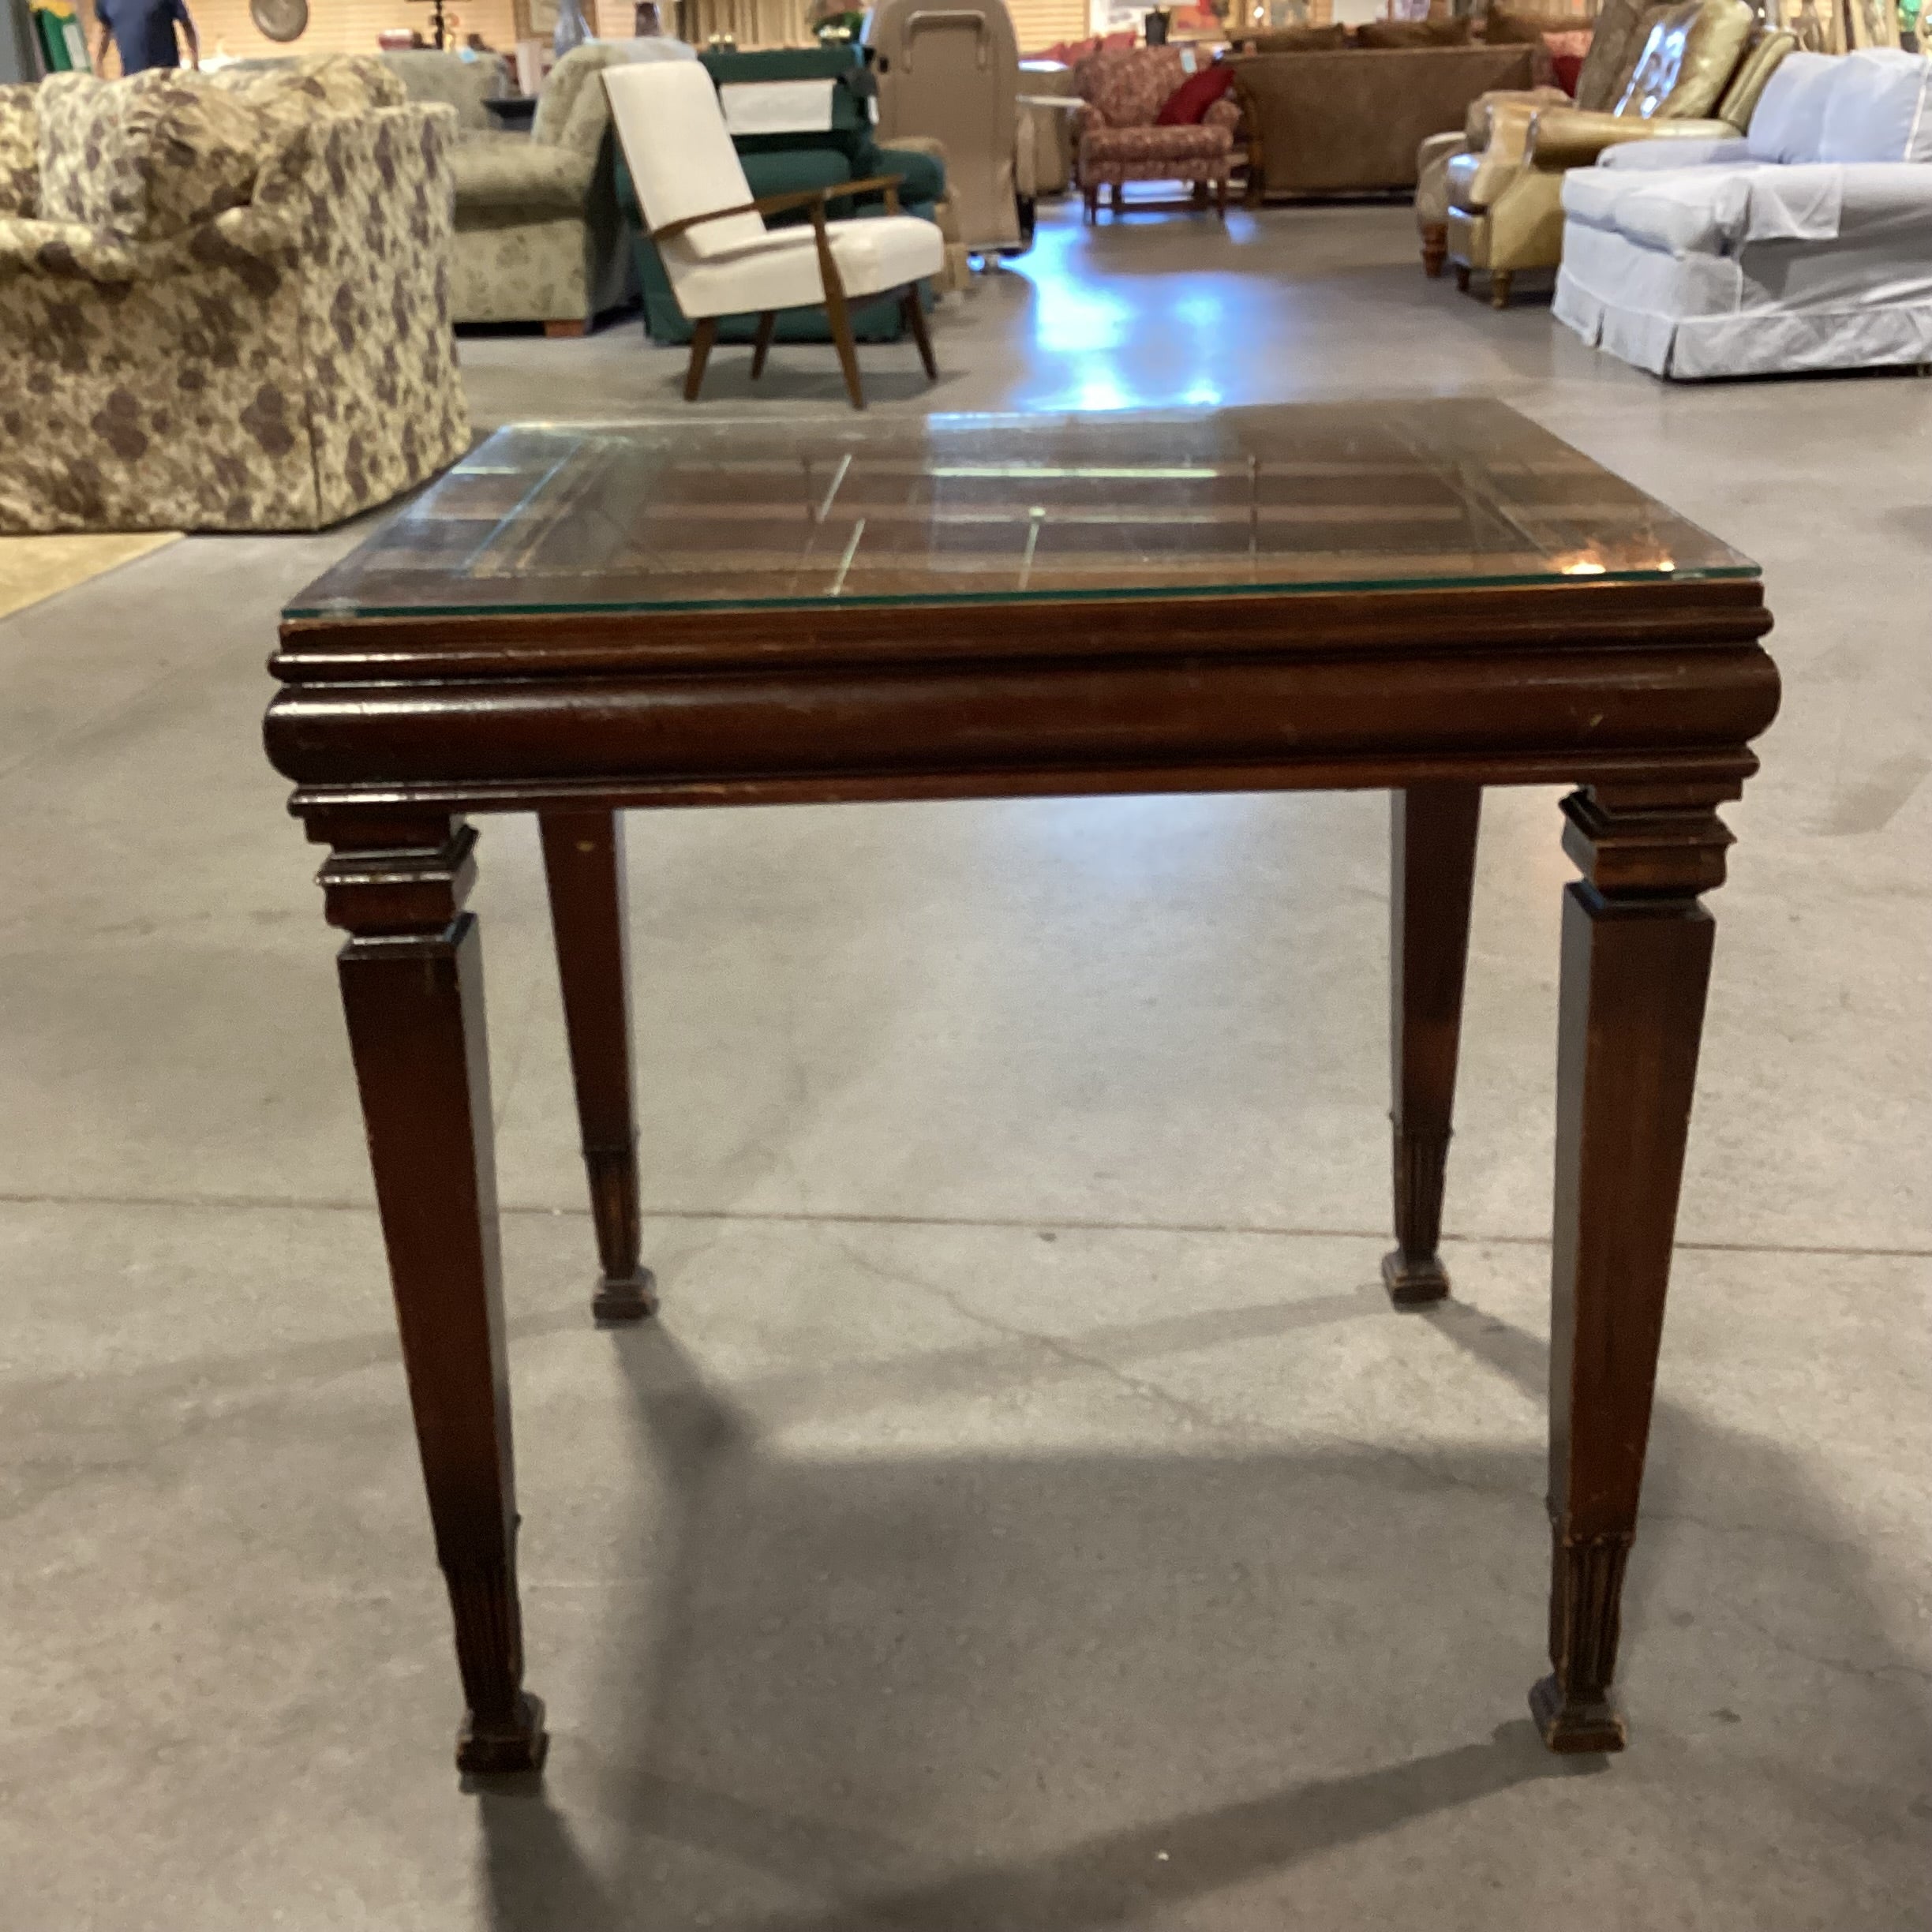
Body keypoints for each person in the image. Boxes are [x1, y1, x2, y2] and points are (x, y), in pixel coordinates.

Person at [95, 0, 200, 77]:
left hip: (166, 80)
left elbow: (187, 27)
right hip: (132, 82)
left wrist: (194, 64)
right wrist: (98, 69)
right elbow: (102, 31)